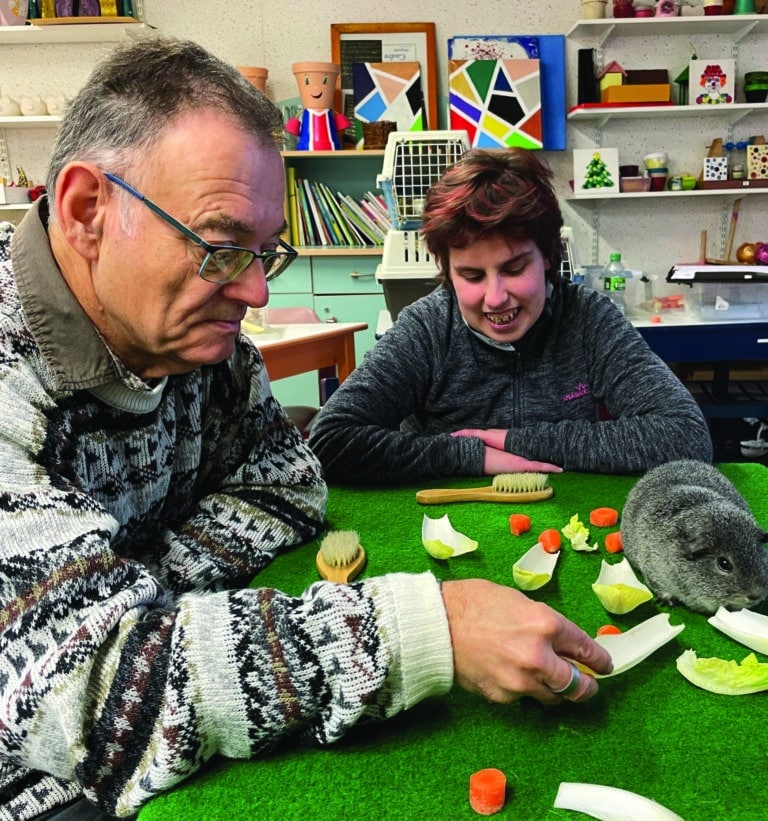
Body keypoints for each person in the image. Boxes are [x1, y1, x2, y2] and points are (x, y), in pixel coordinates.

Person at [0, 38, 612, 821]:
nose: (253, 289)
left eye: (266, 252)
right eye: (222, 247)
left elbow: (288, 482)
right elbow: (103, 697)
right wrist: (430, 626)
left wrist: (147, 591)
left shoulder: (197, 346)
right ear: (89, 210)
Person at [308, 148, 713, 484]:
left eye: (515, 269)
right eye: (471, 275)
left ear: (550, 257)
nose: (496, 298)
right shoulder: (426, 328)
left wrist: (514, 440)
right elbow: (331, 443)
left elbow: (686, 436)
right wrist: (473, 456)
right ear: (446, 271)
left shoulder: (588, 319)